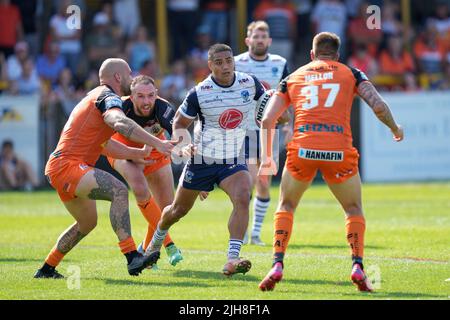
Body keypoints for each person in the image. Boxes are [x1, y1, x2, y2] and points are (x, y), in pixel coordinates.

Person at [257, 32, 404, 292]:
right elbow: (378, 106)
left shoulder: (293, 77)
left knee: (287, 204)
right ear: (337, 55)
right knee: (353, 208)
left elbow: (268, 120)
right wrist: (395, 128)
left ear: (312, 55)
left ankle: (277, 263)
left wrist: (268, 158)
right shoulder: (352, 73)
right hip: (339, 151)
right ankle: (357, 265)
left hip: (303, 150)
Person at [34, 58, 175, 279]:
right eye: (129, 73)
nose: (132, 76)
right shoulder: (108, 97)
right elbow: (119, 123)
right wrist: (158, 142)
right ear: (118, 77)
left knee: (87, 223)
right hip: (67, 166)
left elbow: (105, 144)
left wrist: (137, 154)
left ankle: (46, 268)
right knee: (118, 191)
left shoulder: (96, 96)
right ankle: (132, 256)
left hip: (62, 167)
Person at [145, 44, 267, 276]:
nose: (225, 66)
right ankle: (154, 244)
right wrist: (183, 144)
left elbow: (268, 107)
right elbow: (179, 123)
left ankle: (232, 259)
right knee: (178, 210)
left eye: (229, 60)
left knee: (243, 196)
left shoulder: (249, 83)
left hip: (232, 158)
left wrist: (280, 118)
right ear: (210, 65)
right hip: (202, 160)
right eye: (219, 62)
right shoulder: (199, 92)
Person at [106, 75, 183, 267]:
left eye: (150, 96)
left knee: (167, 208)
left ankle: (146, 252)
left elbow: (179, 138)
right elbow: (104, 137)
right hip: (123, 150)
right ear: (131, 97)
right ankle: (169, 245)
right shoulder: (120, 108)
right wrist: (133, 153)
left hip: (155, 151)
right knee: (140, 188)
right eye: (140, 96)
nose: (146, 101)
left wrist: (196, 169)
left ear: (156, 94)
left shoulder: (163, 108)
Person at [234, 21, 290, 246]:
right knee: (249, 179)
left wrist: (290, 124)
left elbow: (288, 95)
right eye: (255, 36)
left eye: (263, 36)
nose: (259, 39)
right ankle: (244, 230)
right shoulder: (237, 63)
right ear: (248, 40)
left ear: (269, 41)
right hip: (245, 129)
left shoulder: (280, 63)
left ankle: (255, 233)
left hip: (270, 130)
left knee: (264, 184)